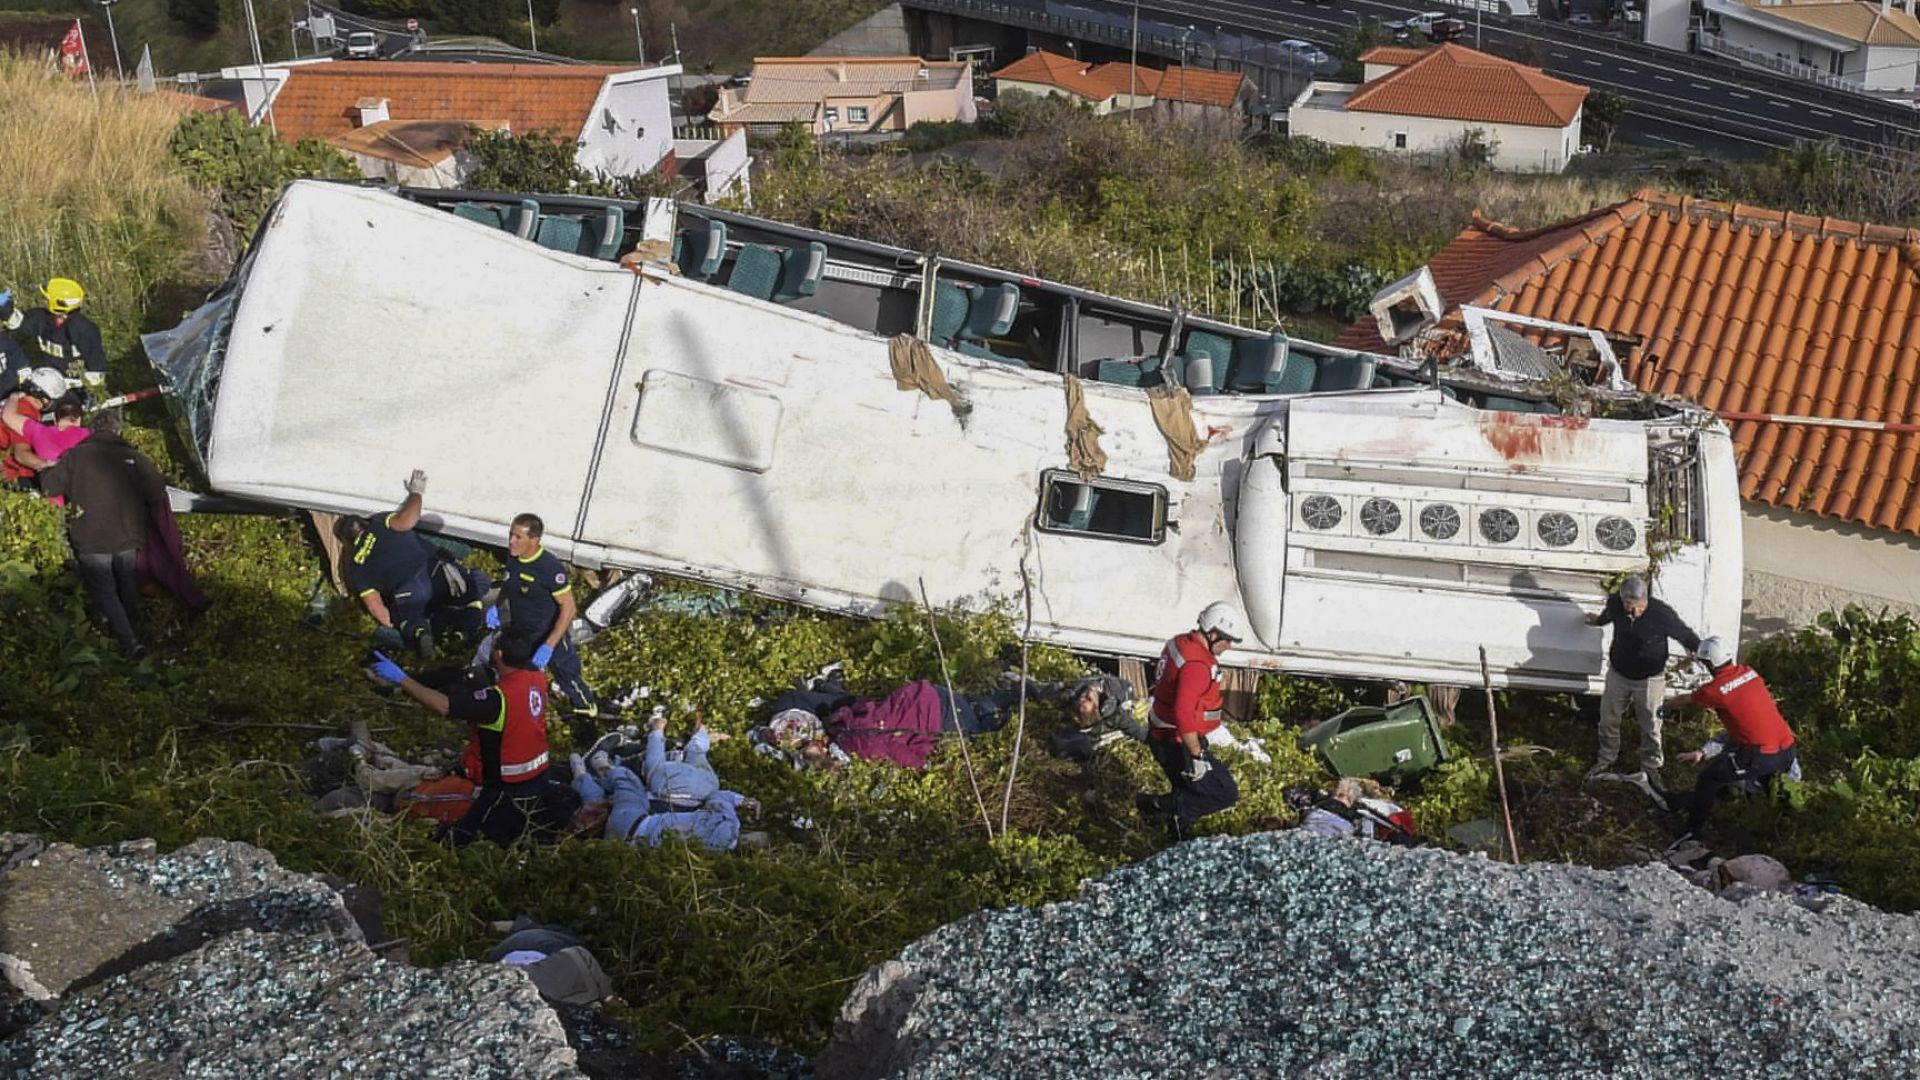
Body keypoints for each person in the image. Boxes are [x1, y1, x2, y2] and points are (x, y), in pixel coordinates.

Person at [364, 630, 576, 847]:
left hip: (505, 788)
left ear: (498, 654)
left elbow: (444, 706)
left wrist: (403, 680)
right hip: (537, 778)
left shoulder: (497, 700)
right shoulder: (537, 677)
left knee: (460, 840)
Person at [36, 410, 168, 657]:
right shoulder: (134, 457)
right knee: (127, 582)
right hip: (128, 533)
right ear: (118, 430)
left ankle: (129, 642)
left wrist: (44, 468)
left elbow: (50, 487)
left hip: (91, 535)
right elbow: (156, 492)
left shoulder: (75, 456)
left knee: (104, 590)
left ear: (93, 430)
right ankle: (138, 631)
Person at [338, 469, 489, 657]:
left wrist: (394, 623)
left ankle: (420, 632)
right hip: (438, 572)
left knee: (409, 618)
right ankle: (462, 633)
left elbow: (375, 607)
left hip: (410, 590)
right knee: (474, 590)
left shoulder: (356, 566)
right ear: (364, 523)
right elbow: (408, 520)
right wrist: (416, 492)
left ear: (348, 541)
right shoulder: (379, 522)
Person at [1667, 635, 1798, 839]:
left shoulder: (1714, 690)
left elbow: (1686, 699)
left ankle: (1691, 832)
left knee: (1709, 778)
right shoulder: (1749, 672)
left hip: (1760, 755)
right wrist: (1704, 752)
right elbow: (1742, 727)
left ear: (1709, 665)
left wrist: (1663, 706)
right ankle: (1787, 833)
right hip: (1787, 750)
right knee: (1772, 789)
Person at [569, 715, 758, 851]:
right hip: (624, 841)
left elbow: (718, 797)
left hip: (641, 818)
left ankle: (604, 762)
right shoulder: (717, 853)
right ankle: (581, 772)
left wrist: (744, 801)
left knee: (632, 781)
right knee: (604, 798)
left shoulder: (729, 824)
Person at [1136, 602, 1244, 838]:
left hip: (1164, 734)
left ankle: (1177, 832)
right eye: (1227, 640)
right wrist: (1196, 756)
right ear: (1213, 633)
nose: (1228, 647)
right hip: (1176, 740)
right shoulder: (1197, 665)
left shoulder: (1180, 642)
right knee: (1223, 792)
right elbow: (1184, 714)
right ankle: (1154, 806)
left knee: (1185, 787)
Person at [1585, 574, 1700, 791]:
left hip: (1650, 679)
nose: (1635, 612)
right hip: (1618, 674)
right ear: (1622, 600)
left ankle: (1651, 766)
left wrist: (1701, 650)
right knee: (1608, 719)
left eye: (1640, 606)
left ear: (1646, 599)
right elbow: (1608, 615)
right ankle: (1606, 757)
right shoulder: (1615, 605)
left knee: (1651, 725)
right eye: (1630, 606)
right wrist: (1597, 621)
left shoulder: (1661, 613)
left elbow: (1684, 634)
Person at [500, 513, 600, 741]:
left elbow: (569, 608)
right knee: (516, 679)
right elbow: (509, 582)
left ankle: (587, 721)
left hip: (548, 634)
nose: (511, 541)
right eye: (510, 535)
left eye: (518, 537)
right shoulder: (513, 558)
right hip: (520, 634)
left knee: (568, 677)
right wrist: (497, 607)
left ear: (534, 540)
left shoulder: (549, 569)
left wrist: (549, 645)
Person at [11, 278, 106, 395]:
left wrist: (71, 384)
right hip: (48, 380)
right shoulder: (42, 317)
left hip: (74, 387)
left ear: (59, 303)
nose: (43, 300)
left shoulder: (84, 330)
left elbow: (97, 373)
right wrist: (6, 311)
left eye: (47, 298)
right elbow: (18, 323)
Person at [1048, 673, 1145, 764]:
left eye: (1085, 698)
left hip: (1118, 684)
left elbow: (1136, 730)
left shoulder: (1079, 691)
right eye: (1087, 698)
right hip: (1122, 688)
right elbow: (1134, 729)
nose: (1084, 698)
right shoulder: (1113, 713)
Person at [0, 367, 67, 486]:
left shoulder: (13, 401)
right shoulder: (26, 413)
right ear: (45, 400)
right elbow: (21, 455)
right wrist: (50, 465)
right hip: (6, 472)